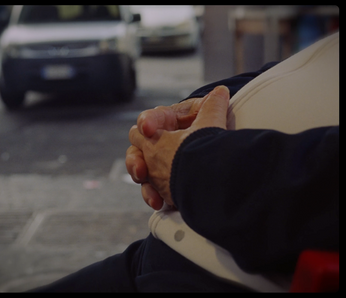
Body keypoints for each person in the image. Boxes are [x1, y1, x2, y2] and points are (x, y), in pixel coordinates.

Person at [29, 58, 338, 292]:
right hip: (160, 255)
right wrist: (186, 112)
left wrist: (189, 160)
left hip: (213, 279)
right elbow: (287, 69)